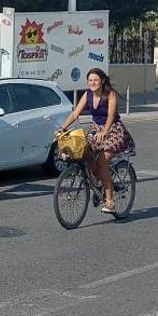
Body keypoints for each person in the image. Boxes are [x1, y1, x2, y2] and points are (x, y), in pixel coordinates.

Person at [57, 68, 135, 214]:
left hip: (113, 130)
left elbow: (111, 116)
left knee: (102, 161)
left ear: (102, 81)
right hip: (96, 129)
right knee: (84, 152)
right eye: (90, 80)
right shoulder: (88, 95)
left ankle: (110, 200)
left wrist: (105, 131)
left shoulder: (110, 94)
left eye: (95, 80)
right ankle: (97, 183)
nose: (92, 83)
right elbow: (75, 114)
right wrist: (63, 128)